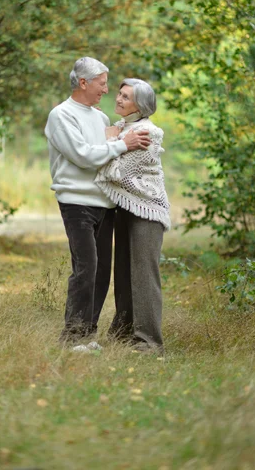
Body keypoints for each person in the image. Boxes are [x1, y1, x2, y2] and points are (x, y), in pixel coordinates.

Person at [44, 58, 151, 346]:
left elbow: (107, 158)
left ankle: (88, 334)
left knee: (102, 269)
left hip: (105, 203)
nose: (107, 90)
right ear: (83, 83)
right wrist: (120, 144)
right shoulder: (61, 115)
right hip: (76, 202)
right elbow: (83, 156)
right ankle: (72, 337)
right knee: (86, 267)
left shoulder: (101, 118)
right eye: (103, 83)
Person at [95, 78, 171, 353]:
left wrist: (109, 143)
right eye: (119, 93)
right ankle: (123, 333)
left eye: (126, 97)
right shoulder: (122, 129)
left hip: (147, 209)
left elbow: (116, 173)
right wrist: (115, 141)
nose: (118, 98)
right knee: (124, 273)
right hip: (125, 207)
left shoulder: (150, 132)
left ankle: (150, 341)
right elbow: (106, 162)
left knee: (143, 275)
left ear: (140, 105)